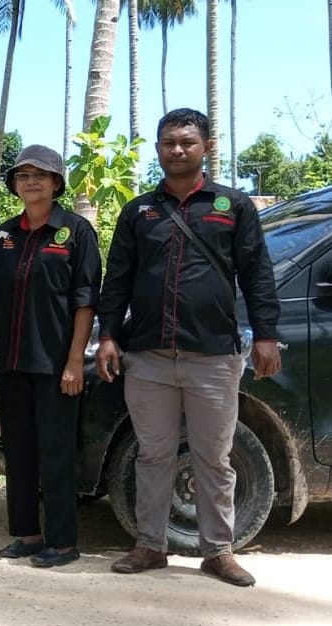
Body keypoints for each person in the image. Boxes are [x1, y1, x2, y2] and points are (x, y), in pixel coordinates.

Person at [97, 108, 281, 587]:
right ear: (157, 148)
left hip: (214, 356)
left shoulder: (232, 206)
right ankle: (150, 545)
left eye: (186, 142)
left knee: (214, 457)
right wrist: (109, 335)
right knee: (153, 455)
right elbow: (116, 279)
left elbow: (257, 273)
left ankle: (218, 551)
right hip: (149, 356)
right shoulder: (138, 211)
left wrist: (265, 335)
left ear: (206, 147)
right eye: (168, 142)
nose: (176, 150)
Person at [0, 145, 101, 568]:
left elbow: (85, 302)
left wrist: (73, 362)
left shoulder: (76, 232)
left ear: (56, 183)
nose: (31, 181)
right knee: (19, 452)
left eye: (40, 175)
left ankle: (62, 542)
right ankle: (26, 534)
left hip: (55, 367)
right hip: (9, 362)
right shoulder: (5, 235)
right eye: (23, 174)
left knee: (56, 454)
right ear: (14, 184)